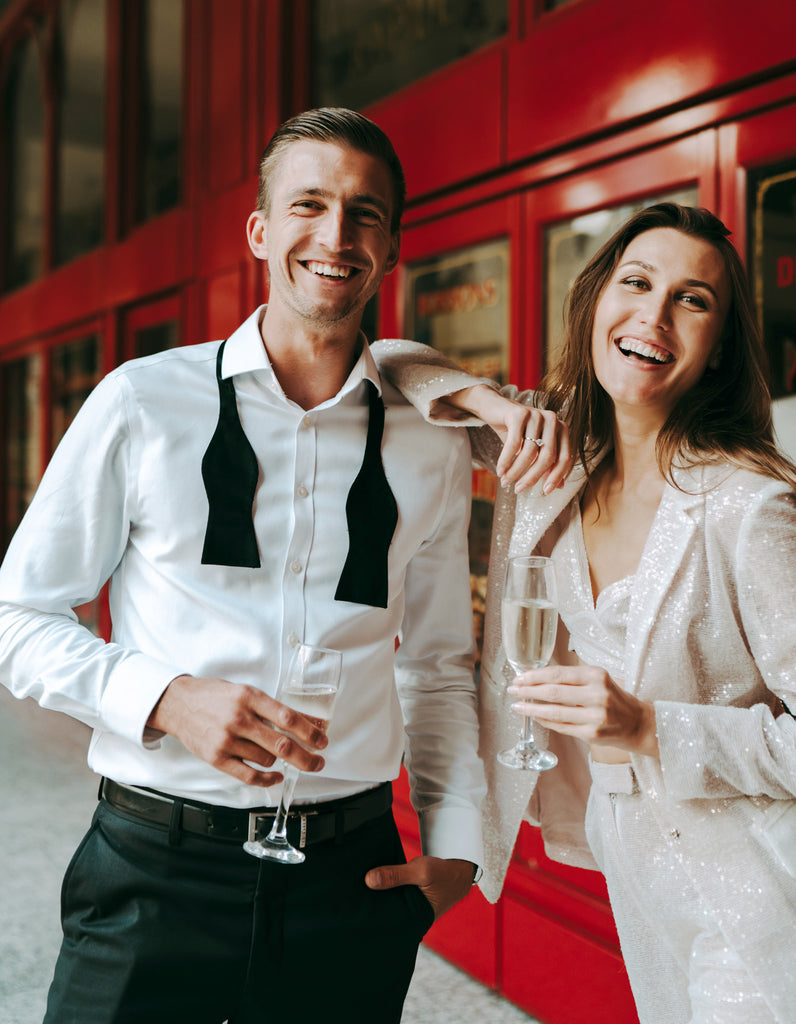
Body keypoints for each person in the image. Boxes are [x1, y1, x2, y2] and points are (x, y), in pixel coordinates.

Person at [0, 108, 555, 1024]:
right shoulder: (143, 402)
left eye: (365, 213)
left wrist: (456, 849)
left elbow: (437, 664)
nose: (336, 236)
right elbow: (19, 618)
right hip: (153, 873)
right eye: (309, 204)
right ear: (261, 231)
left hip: (352, 885)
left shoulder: (431, 443)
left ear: (391, 245)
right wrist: (167, 697)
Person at [374, 203, 796, 1024]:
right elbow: (388, 361)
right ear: (596, 300)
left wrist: (650, 727)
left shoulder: (751, 509)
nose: (655, 315)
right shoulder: (549, 458)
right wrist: (496, 409)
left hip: (763, 884)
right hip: (637, 867)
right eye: (636, 282)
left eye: (692, 300)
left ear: (715, 351)